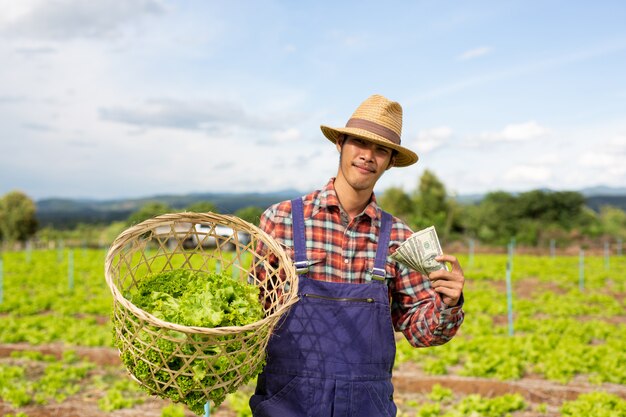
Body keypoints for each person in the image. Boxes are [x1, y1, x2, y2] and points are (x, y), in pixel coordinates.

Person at [249, 94, 465, 417]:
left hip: (366, 406)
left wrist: (448, 304)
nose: (367, 156)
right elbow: (253, 312)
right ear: (340, 143)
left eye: (381, 150)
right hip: (286, 404)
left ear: (391, 161)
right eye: (360, 143)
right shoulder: (279, 221)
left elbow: (422, 332)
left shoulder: (398, 237)